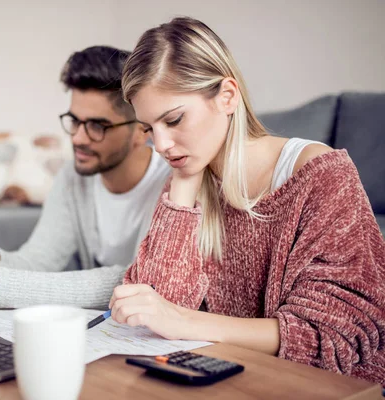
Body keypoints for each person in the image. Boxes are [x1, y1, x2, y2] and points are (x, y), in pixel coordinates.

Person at [109, 17, 385, 384]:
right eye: (148, 129)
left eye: (173, 120)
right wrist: (184, 183)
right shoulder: (189, 172)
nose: (160, 145)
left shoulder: (320, 174)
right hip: (238, 379)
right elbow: (153, 310)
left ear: (227, 96)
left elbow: (332, 339)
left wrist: (184, 321)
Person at [0, 46, 170, 309]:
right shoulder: (73, 177)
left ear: (141, 130)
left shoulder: (170, 185)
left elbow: (138, 280)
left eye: (96, 126)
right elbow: (40, 262)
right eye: (74, 121)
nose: (77, 138)